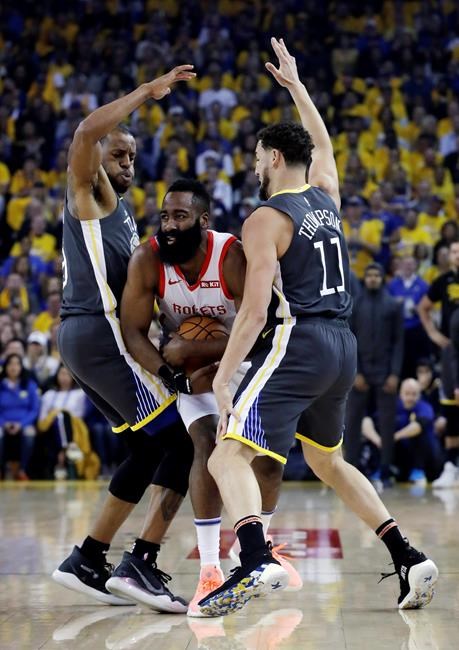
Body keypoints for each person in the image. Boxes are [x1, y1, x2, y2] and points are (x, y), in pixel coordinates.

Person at [198, 38, 438, 617]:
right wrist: (298, 87)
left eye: (259, 157)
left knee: (225, 456)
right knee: (328, 461)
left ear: (277, 159)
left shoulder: (266, 218)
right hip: (342, 346)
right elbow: (323, 146)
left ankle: (255, 560)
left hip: (299, 341)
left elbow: (255, 312)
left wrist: (225, 378)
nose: (254, 167)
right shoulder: (328, 198)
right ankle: (407, 556)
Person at [52, 65, 206, 613]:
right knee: (185, 441)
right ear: (97, 159)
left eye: (133, 158)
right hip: (99, 332)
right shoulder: (88, 194)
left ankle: (88, 558)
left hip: (87, 339)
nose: (127, 165)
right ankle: (141, 562)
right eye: (118, 154)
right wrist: (146, 92)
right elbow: (84, 134)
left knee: (148, 447)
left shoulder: (121, 216)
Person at [120, 178, 300, 617]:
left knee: (270, 461)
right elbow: (133, 331)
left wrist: (195, 347)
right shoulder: (147, 258)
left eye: (180, 216)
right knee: (206, 443)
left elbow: (263, 327)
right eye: (165, 216)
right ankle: (210, 570)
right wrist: (170, 371)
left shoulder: (231, 255)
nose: (169, 225)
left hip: (245, 360)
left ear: (203, 220)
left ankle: (254, 549)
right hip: (191, 377)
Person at [345, 262, 404, 483]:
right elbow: (350, 339)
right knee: (352, 423)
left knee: (387, 424)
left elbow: (399, 343)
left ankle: (386, 470)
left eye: (376, 275)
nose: (372, 278)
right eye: (369, 275)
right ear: (364, 278)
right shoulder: (355, 304)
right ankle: (350, 469)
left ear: (382, 278)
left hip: (385, 373)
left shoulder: (393, 305)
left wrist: (395, 374)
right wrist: (356, 372)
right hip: (360, 373)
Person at [418, 240, 459, 488]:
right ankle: (451, 465)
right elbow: (423, 308)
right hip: (451, 350)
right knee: (451, 406)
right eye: (454, 251)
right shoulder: (443, 281)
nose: (457, 255)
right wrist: (434, 334)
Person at [0, 353, 40, 480]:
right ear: (5, 367)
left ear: (21, 367)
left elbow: (34, 410)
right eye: (10, 364)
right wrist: (3, 423)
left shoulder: (30, 385)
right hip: (3, 422)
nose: (14, 367)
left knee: (30, 433)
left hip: (24, 422)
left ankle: (23, 469)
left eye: (17, 364)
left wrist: (21, 424)